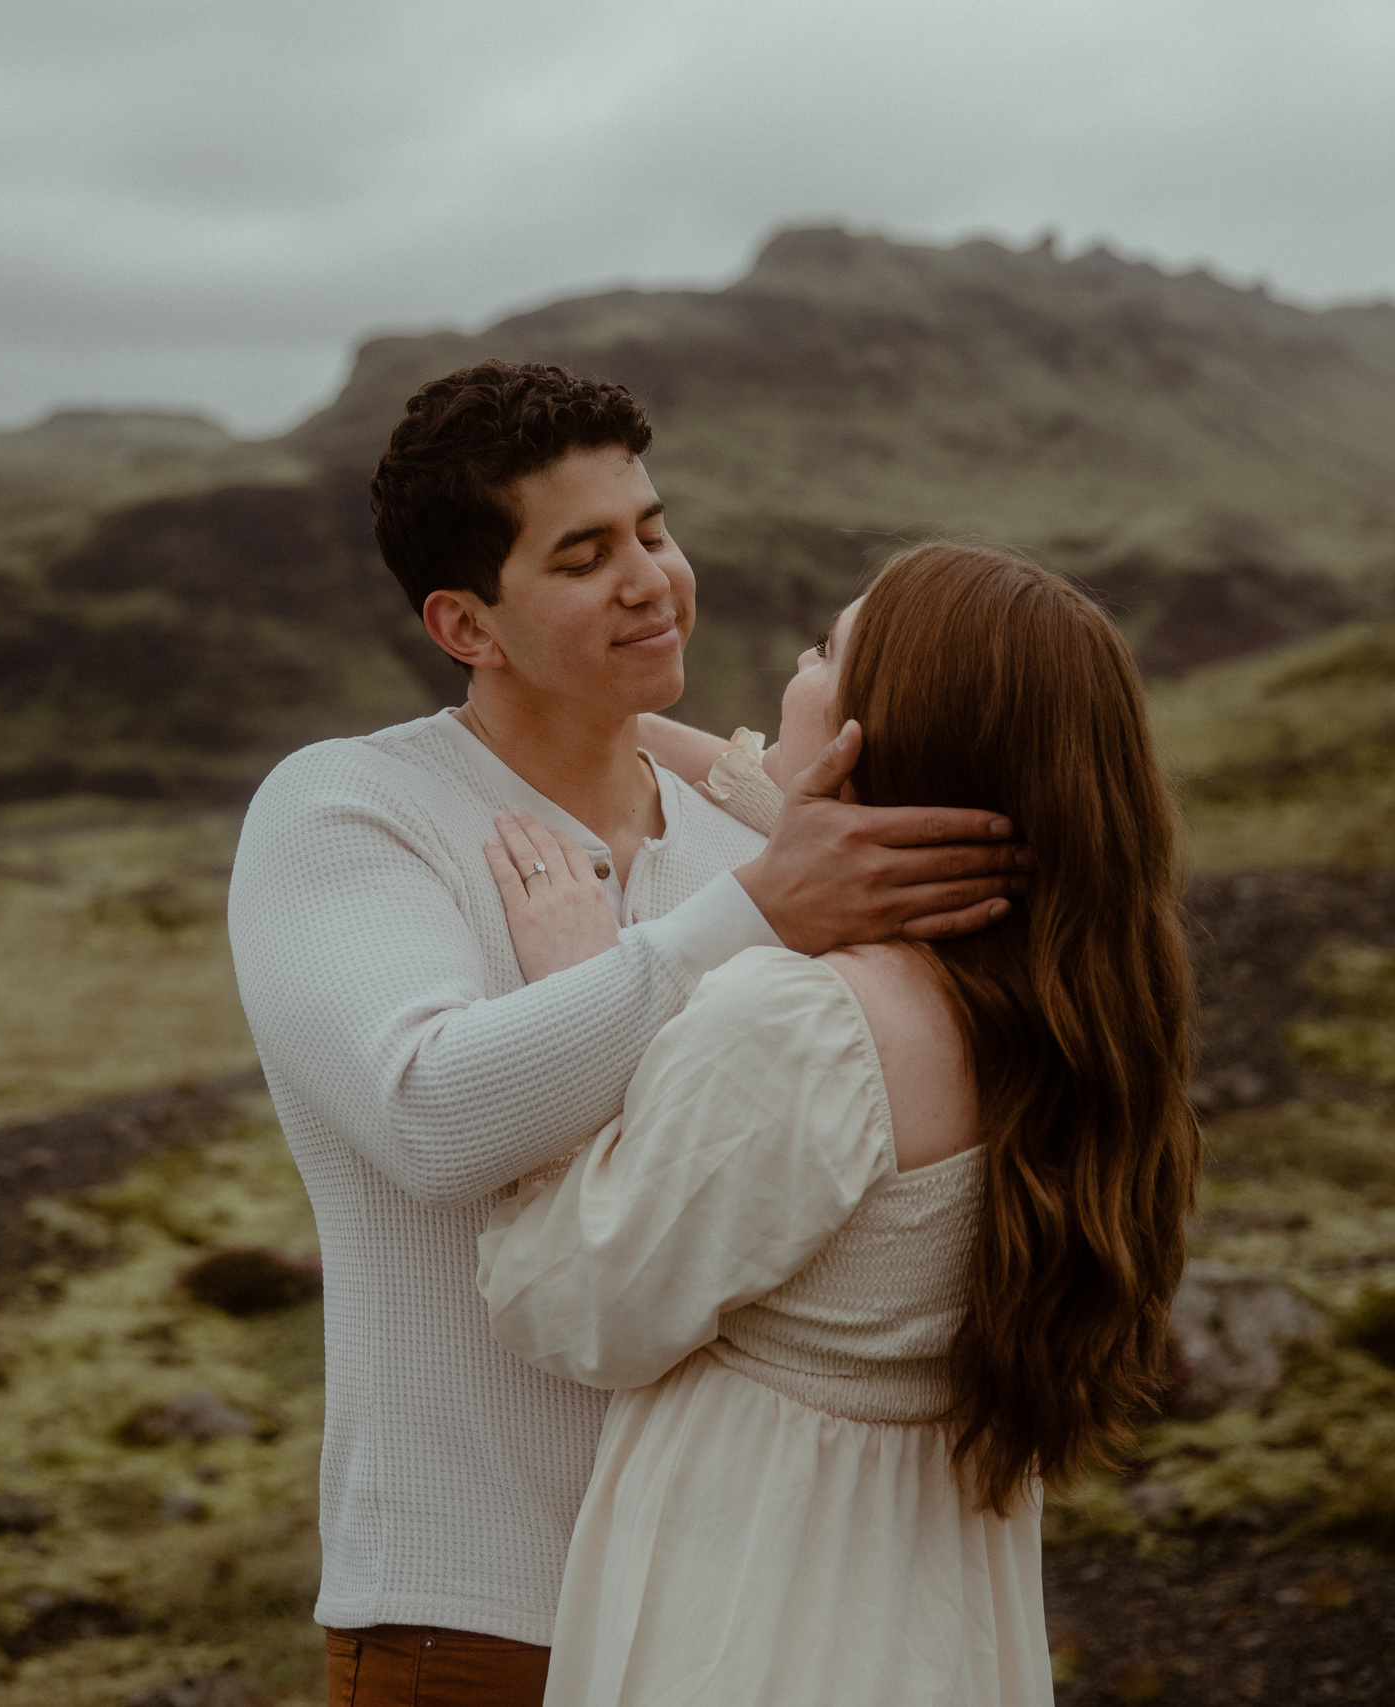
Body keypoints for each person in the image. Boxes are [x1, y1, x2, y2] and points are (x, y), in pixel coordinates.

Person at [226, 362, 1030, 1706]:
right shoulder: (349, 810)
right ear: (464, 623)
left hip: (737, 1615)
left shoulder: (743, 837)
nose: (651, 577)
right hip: (476, 1615)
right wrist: (755, 910)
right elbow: (430, 1113)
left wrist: (744, 832)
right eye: (584, 554)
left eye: (652, 530)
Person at [476, 543, 1201, 1706]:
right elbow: (799, 807)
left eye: (826, 653)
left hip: (753, 1592)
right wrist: (645, 742)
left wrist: (572, 996)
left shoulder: (808, 1022)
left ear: (883, 736)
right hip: (927, 1595)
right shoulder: (1060, 1003)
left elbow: (574, 1306)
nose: (795, 670)